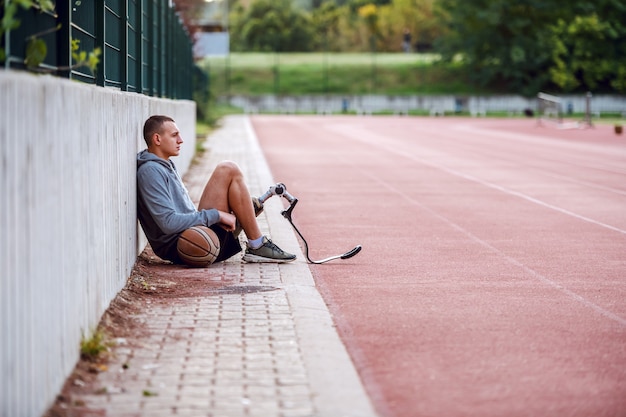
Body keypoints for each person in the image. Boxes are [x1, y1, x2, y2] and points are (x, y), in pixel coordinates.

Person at [137, 115, 296, 264]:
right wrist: (217, 215)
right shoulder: (150, 171)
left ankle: (244, 222)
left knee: (229, 171)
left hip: (192, 233)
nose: (181, 140)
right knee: (227, 168)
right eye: (174, 135)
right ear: (157, 139)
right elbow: (168, 223)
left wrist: (219, 216)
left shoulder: (164, 165)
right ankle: (256, 244)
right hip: (185, 243)